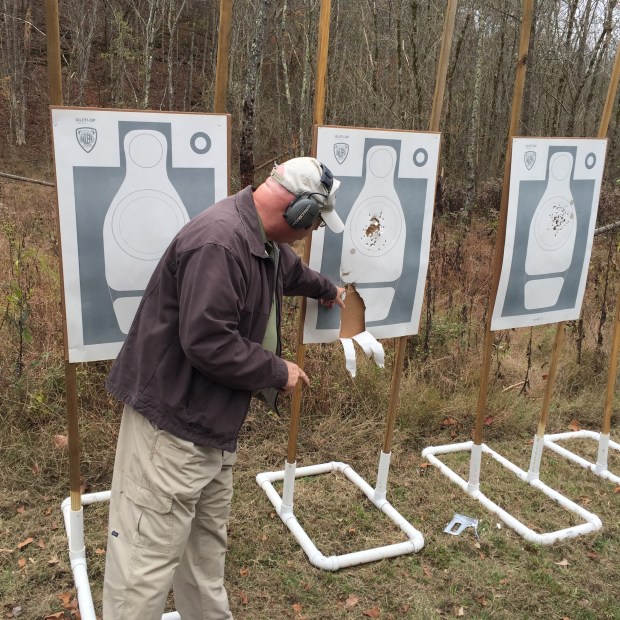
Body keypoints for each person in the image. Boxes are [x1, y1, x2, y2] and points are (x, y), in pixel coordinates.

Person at [102, 157, 346, 620]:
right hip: (171, 429)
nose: (310, 231)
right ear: (295, 211)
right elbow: (208, 341)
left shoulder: (262, 240)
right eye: (312, 221)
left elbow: (288, 273)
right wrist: (278, 371)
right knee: (144, 565)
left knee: (204, 557)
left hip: (211, 427)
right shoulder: (219, 242)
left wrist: (325, 289)